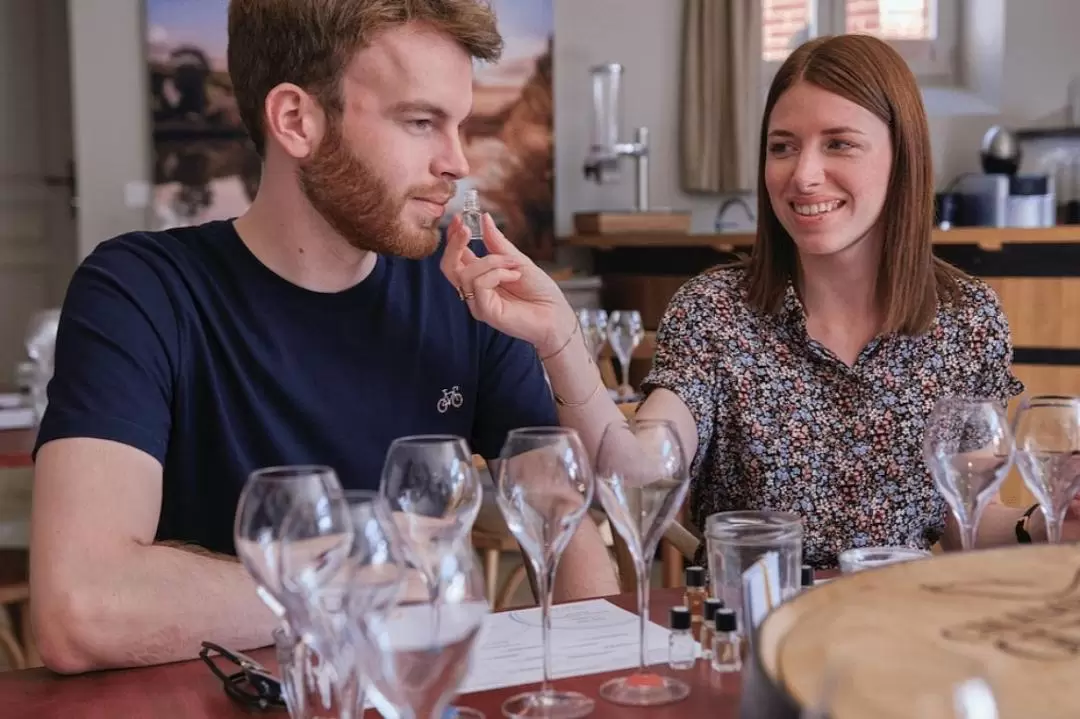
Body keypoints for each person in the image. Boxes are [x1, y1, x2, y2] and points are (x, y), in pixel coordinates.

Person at [30, 0, 617, 674]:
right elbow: (83, 606)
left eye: (459, 125)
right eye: (422, 122)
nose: (457, 162)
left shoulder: (467, 294)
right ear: (295, 120)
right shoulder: (140, 291)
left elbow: (565, 536)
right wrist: (375, 586)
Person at [444, 33, 1080, 586]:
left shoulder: (967, 319)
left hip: (894, 630)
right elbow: (638, 473)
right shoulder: (716, 310)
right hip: (749, 632)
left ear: (902, 156)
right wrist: (560, 339)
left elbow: (962, 520)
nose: (803, 174)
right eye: (782, 146)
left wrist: (1048, 523)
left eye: (839, 144)